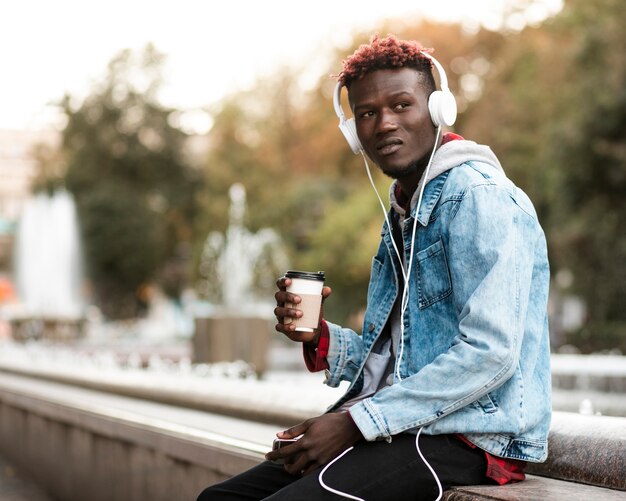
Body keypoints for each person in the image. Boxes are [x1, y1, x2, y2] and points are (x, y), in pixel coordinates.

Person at [197, 34, 551, 501]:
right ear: (353, 131)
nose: (384, 123)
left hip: (470, 439)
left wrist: (353, 423)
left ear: (439, 109)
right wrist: (321, 339)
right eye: (367, 113)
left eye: (402, 105)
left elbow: (490, 353)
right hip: (411, 427)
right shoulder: (404, 209)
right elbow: (402, 359)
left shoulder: (477, 196)